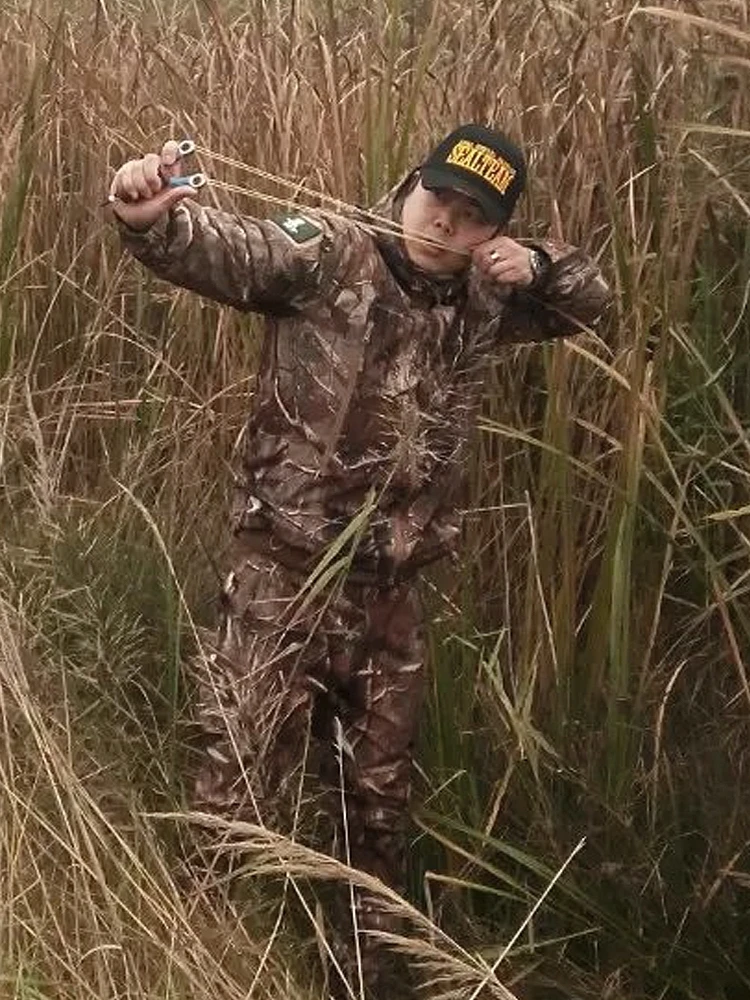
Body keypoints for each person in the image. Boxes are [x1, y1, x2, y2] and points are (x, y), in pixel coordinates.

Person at [109, 123, 611, 997]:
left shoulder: (492, 299)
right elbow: (231, 252)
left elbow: (591, 298)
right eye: (437, 200)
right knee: (231, 795)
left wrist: (533, 262)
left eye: (471, 219)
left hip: (392, 598)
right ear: (412, 180)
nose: (444, 226)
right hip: (284, 576)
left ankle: (366, 977)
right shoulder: (331, 253)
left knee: (375, 814)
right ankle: (186, 964)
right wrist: (152, 219)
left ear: (492, 232)